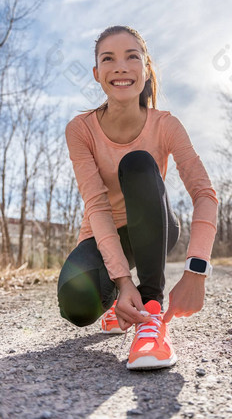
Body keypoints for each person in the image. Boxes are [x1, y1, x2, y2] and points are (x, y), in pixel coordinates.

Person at [57, 25, 218, 370]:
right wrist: (122, 281)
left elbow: (204, 194)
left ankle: (151, 316)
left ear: (146, 69)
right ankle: (122, 301)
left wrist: (196, 270)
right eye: (108, 58)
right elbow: (97, 206)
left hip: (155, 225)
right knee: (76, 305)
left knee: (138, 163)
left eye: (132, 56)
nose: (121, 67)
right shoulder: (80, 129)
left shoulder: (166, 125)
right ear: (97, 73)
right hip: (104, 235)